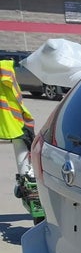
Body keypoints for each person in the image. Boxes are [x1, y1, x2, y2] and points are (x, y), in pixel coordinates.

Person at [0, 58, 36, 196]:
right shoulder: (7, 73)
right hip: (17, 125)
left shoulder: (6, 76)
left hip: (12, 125)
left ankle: (27, 182)